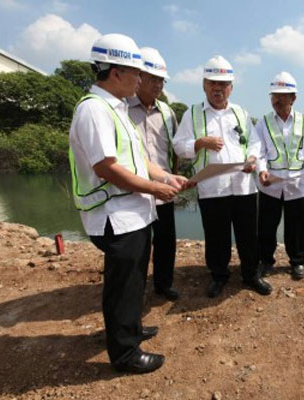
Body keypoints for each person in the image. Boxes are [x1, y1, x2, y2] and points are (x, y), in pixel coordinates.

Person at [69, 33, 189, 374]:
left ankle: (131, 330)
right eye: (136, 72)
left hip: (134, 214)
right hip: (114, 215)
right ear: (116, 72)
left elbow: (138, 159)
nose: (141, 79)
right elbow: (107, 168)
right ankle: (124, 353)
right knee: (122, 284)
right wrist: (155, 188)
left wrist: (166, 178)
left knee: (134, 279)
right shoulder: (94, 110)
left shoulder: (116, 109)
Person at [173, 55, 272, 298]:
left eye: (224, 84)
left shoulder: (240, 112)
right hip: (212, 187)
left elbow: (255, 143)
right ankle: (219, 275)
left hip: (243, 187)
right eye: (213, 83)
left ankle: (251, 275)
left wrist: (252, 160)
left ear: (231, 87)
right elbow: (178, 146)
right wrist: (198, 143)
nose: (218, 88)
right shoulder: (193, 114)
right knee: (216, 236)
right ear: (204, 84)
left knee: (248, 235)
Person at [256, 71, 304, 280]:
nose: (277, 100)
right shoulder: (263, 123)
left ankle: (298, 262)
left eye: (282, 95)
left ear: (293, 98)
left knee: (297, 227)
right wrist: (261, 170)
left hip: (297, 184)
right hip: (270, 184)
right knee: (266, 227)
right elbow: (258, 151)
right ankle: (265, 261)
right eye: (274, 95)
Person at [128, 47, 180, 301]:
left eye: (162, 80)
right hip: (133, 190)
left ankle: (163, 284)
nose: (158, 84)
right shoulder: (122, 109)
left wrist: (173, 177)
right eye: (153, 79)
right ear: (139, 77)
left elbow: (175, 149)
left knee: (166, 242)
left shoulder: (168, 112)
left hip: (164, 188)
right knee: (136, 247)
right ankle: (135, 292)